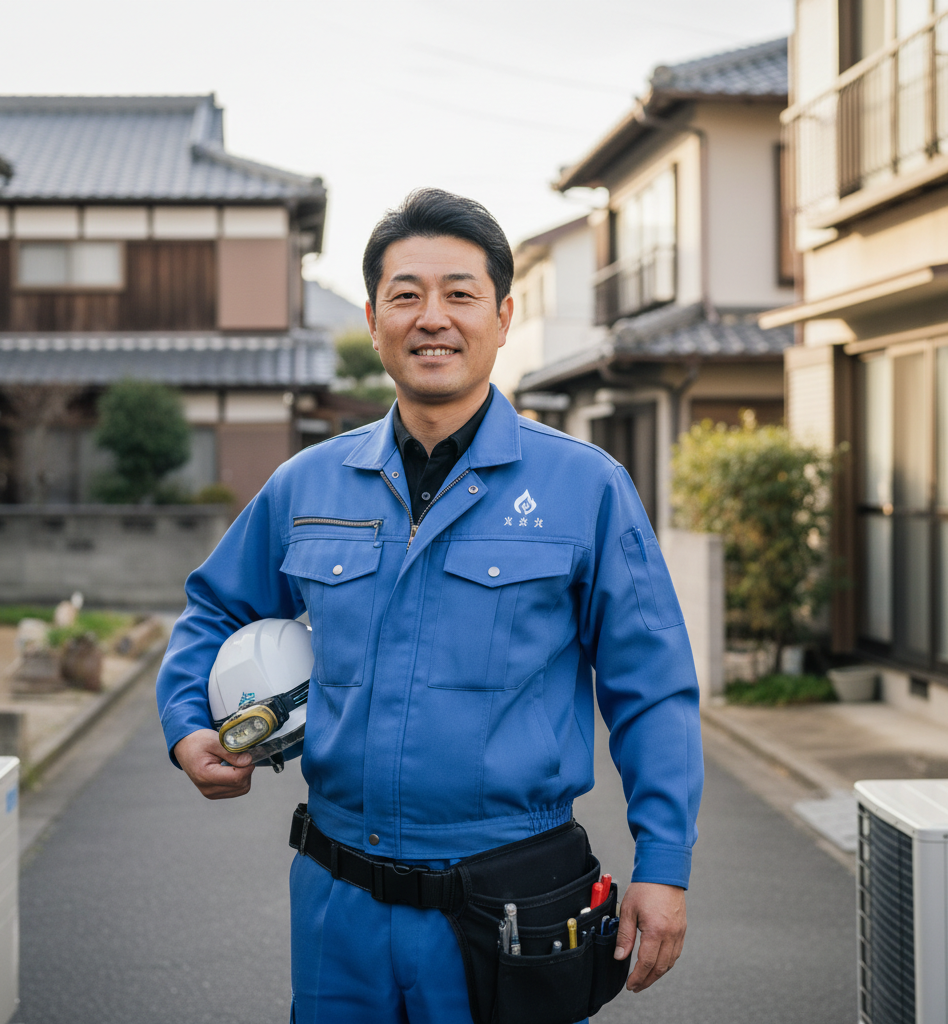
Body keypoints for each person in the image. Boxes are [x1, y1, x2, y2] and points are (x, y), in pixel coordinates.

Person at [157, 188, 703, 1024]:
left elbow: (652, 686)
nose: (432, 318)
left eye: (460, 293)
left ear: (504, 314)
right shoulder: (308, 484)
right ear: (374, 319)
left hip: (510, 898)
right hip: (337, 898)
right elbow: (212, 608)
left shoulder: (586, 487)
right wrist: (188, 724)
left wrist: (662, 863)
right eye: (406, 296)